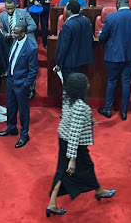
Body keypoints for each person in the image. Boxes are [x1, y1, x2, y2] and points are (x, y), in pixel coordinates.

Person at [46, 73, 116, 217]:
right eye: (86, 84)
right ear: (80, 88)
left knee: (67, 169)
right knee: (74, 169)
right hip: (73, 143)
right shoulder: (80, 107)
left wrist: (89, 121)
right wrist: (72, 158)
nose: (89, 85)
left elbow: (71, 119)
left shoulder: (68, 97)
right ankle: (98, 190)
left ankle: (97, 190)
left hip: (63, 137)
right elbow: (74, 133)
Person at [98, 0, 131, 121]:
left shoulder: (110, 18)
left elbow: (102, 38)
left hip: (114, 55)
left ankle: (108, 109)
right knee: (126, 82)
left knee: (111, 81)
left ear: (118, 4)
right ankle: (124, 112)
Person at [0, 22, 38, 148]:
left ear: (23, 33)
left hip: (22, 84)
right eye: (13, 32)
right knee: (10, 106)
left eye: (15, 32)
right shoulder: (15, 41)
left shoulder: (32, 47)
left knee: (23, 110)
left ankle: (24, 134)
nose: (12, 34)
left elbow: (33, 71)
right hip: (11, 80)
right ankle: (11, 127)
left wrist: (26, 85)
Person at [54, 2, 95, 82]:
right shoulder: (86, 21)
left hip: (70, 63)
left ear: (69, 11)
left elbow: (64, 47)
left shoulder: (67, 25)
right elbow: (90, 38)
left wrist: (59, 63)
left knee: (70, 87)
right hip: (84, 60)